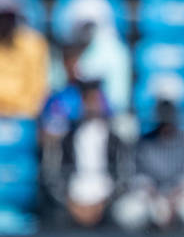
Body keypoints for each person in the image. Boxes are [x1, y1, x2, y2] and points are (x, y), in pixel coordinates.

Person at [115, 75, 184, 231]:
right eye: (162, 107)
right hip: (150, 196)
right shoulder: (143, 142)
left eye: (169, 107)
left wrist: (173, 199)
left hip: (181, 196)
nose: (166, 112)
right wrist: (154, 197)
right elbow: (137, 175)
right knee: (128, 213)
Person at [50, 73, 127, 228]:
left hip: (105, 197)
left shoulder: (115, 139)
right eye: (87, 99)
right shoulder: (68, 138)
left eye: (95, 99)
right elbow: (55, 175)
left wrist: (104, 204)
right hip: (75, 196)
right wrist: (69, 202)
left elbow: (123, 174)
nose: (91, 104)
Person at [56, 0, 132, 115]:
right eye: (83, 25)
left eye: (90, 26)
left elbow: (118, 100)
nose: (87, 31)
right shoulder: (68, 51)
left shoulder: (115, 51)